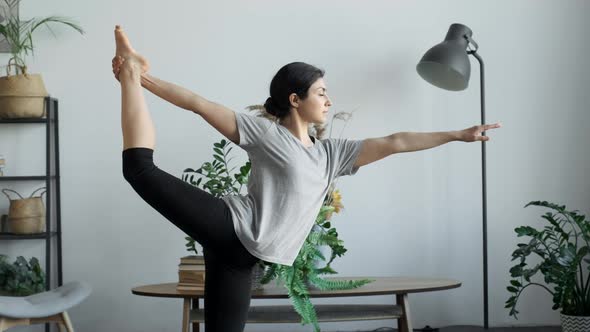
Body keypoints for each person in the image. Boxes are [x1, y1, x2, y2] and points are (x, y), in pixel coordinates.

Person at [112, 25, 501, 332]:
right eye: (321, 92)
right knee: (140, 170)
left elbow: (395, 141)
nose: (329, 100)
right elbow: (199, 104)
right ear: (295, 99)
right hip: (230, 228)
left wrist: (456, 134)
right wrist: (142, 77)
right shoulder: (266, 134)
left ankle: (132, 73)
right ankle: (128, 75)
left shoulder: (332, 155)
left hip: (243, 260)